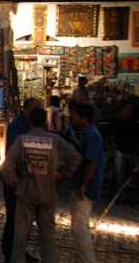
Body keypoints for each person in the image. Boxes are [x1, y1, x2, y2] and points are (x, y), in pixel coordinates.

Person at [3, 107, 81, 263]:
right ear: (45, 121)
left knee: (21, 236)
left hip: (26, 192)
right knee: (47, 237)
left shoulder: (22, 140)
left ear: (30, 121)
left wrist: (15, 182)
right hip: (48, 192)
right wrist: (64, 175)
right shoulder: (54, 140)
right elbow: (75, 157)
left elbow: (7, 166)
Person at [2, 98, 42, 263]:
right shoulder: (18, 127)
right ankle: (10, 253)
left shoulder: (27, 126)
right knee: (14, 217)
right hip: (16, 179)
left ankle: (17, 252)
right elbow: (14, 156)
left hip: (25, 179)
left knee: (22, 219)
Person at [69, 103, 104, 263]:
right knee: (78, 225)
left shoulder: (92, 135)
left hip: (85, 186)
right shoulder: (88, 133)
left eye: (74, 115)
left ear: (83, 117)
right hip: (81, 184)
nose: (72, 117)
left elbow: (92, 163)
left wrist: (83, 185)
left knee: (79, 227)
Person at [110, 100, 139, 202]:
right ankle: (120, 197)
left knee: (133, 177)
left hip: (132, 152)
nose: (128, 111)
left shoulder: (135, 123)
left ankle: (132, 197)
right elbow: (112, 135)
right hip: (120, 151)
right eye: (126, 109)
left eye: (130, 109)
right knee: (119, 176)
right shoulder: (117, 121)